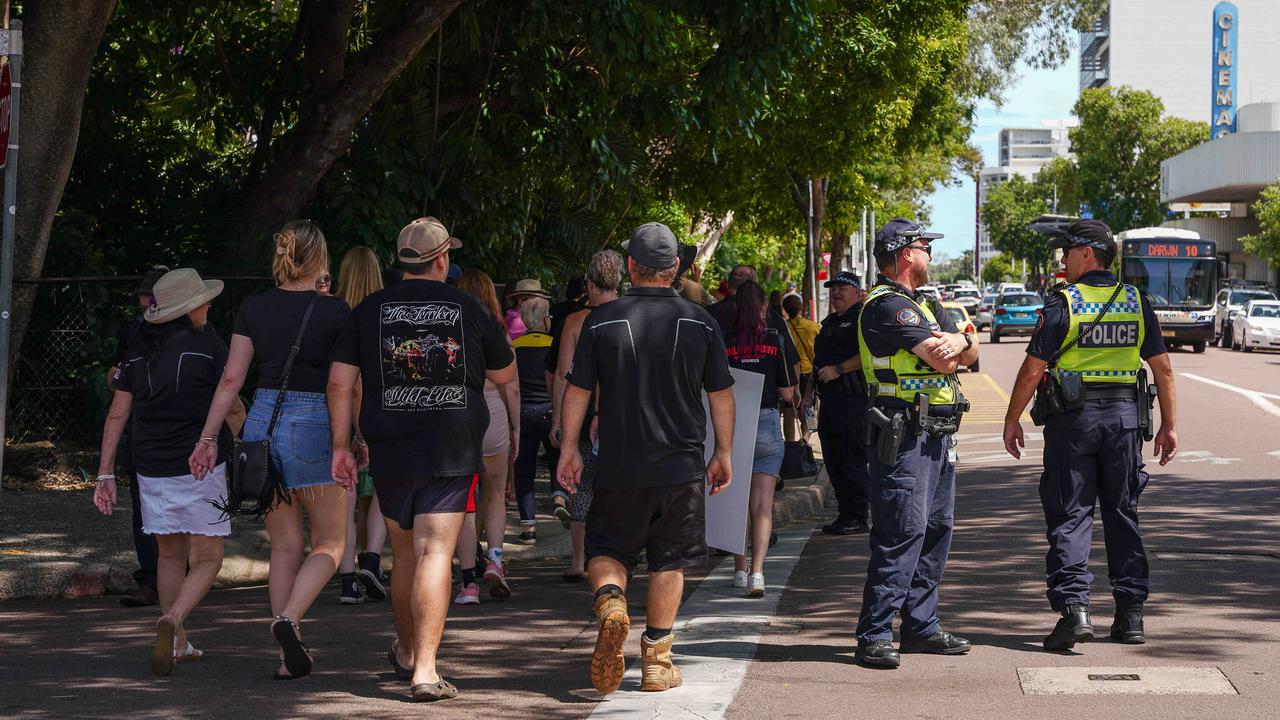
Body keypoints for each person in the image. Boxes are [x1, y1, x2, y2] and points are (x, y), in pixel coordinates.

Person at [330, 217, 515, 702]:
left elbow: (339, 383)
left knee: (405, 553)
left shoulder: (368, 310)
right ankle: (425, 672)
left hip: (391, 446)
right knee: (438, 553)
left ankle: (409, 651)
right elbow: (504, 370)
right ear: (441, 260)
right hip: (452, 444)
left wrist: (339, 445)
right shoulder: (469, 307)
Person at [556, 222, 735, 695]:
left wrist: (569, 448)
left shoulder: (602, 319)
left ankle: (612, 601)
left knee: (606, 550)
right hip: (680, 465)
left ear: (631, 266)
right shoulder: (702, 321)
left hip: (619, 462)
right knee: (668, 560)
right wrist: (725, 452)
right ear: (675, 267)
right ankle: (656, 662)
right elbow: (721, 395)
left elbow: (577, 390)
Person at [1001, 219, 1179, 651]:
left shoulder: (1065, 303)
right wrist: (1170, 425)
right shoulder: (1137, 302)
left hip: (1073, 424)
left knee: (1071, 514)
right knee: (1122, 514)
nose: (1062, 259)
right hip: (1123, 423)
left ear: (1088, 254)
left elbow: (1032, 369)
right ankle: (1131, 615)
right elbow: (1163, 369)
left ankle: (1075, 611)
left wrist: (1012, 419)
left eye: (1067, 251)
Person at [189, 221, 353, 680]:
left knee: (283, 545)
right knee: (330, 543)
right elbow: (344, 384)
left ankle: (286, 657)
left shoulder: (254, 306)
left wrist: (207, 438)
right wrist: (353, 439)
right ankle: (290, 621)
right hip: (315, 422)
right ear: (320, 260)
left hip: (262, 420)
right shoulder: (337, 312)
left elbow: (231, 380)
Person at [94, 268, 246, 676]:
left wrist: (104, 473)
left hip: (150, 467)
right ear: (189, 308)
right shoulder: (208, 346)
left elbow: (117, 414)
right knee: (209, 557)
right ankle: (173, 619)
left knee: (169, 554)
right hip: (201, 463)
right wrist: (249, 445)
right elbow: (231, 405)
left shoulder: (138, 353)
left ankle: (178, 643)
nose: (209, 305)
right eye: (203, 300)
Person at [853, 218, 978, 669]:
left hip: (936, 434)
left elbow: (972, 354)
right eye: (926, 246)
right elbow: (944, 357)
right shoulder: (890, 307)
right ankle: (874, 633)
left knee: (936, 530)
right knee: (900, 532)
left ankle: (921, 626)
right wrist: (960, 343)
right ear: (907, 253)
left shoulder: (923, 303)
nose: (930, 254)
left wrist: (963, 339)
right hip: (904, 433)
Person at [549, 250, 623, 580]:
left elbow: (564, 375)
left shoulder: (576, 322)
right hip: (620, 413)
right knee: (620, 485)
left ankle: (579, 560)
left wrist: (558, 421)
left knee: (580, 485)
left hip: (579, 412)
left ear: (589, 282)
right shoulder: (629, 317)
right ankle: (615, 555)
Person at [722, 280, 797, 597]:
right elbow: (787, 391)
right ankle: (758, 574)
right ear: (764, 307)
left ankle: (739, 570)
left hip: (734, 425)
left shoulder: (725, 341)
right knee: (763, 507)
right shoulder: (774, 338)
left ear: (737, 307)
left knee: (736, 504)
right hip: (767, 423)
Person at [456, 269, 520, 598]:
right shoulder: (499, 333)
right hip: (494, 415)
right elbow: (512, 388)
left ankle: (467, 582)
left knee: (464, 501)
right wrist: (516, 428)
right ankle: (495, 559)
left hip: (460, 416)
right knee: (495, 494)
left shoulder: (451, 332)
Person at [109, 265, 168, 608]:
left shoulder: (193, 333)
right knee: (143, 510)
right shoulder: (134, 331)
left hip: (178, 432)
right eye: (144, 296)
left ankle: (172, 578)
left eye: (150, 296)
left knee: (178, 510)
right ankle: (150, 578)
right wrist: (120, 377)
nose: (144, 303)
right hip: (142, 431)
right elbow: (114, 375)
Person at [333, 247, 390, 605]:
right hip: (379, 412)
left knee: (346, 499)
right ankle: (371, 557)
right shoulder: (383, 313)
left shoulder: (334, 312)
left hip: (337, 413)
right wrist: (362, 433)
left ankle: (348, 579)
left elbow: (343, 381)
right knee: (383, 492)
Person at [812, 271, 870, 535]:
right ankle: (845, 513)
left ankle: (857, 516)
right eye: (833, 288)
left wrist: (839, 368)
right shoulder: (831, 322)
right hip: (830, 400)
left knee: (851, 459)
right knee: (833, 459)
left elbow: (870, 353)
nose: (836, 292)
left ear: (857, 292)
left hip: (853, 401)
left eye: (842, 288)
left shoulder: (862, 318)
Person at [708, 265, 800, 394]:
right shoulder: (773, 318)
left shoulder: (708, 315)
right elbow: (790, 358)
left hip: (720, 399)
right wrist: (796, 390)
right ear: (755, 287)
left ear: (728, 285)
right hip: (766, 401)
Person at [512, 294, 558, 545]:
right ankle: (560, 499)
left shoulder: (516, 347)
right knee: (557, 462)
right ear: (545, 320)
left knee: (524, 471)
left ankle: (528, 526)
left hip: (524, 412)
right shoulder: (554, 345)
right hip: (550, 412)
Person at [781, 293, 820, 440]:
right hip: (809, 374)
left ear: (785, 309)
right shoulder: (813, 327)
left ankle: (790, 443)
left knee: (789, 412)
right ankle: (805, 440)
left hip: (789, 374)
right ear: (800, 308)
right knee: (809, 410)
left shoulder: (783, 328)